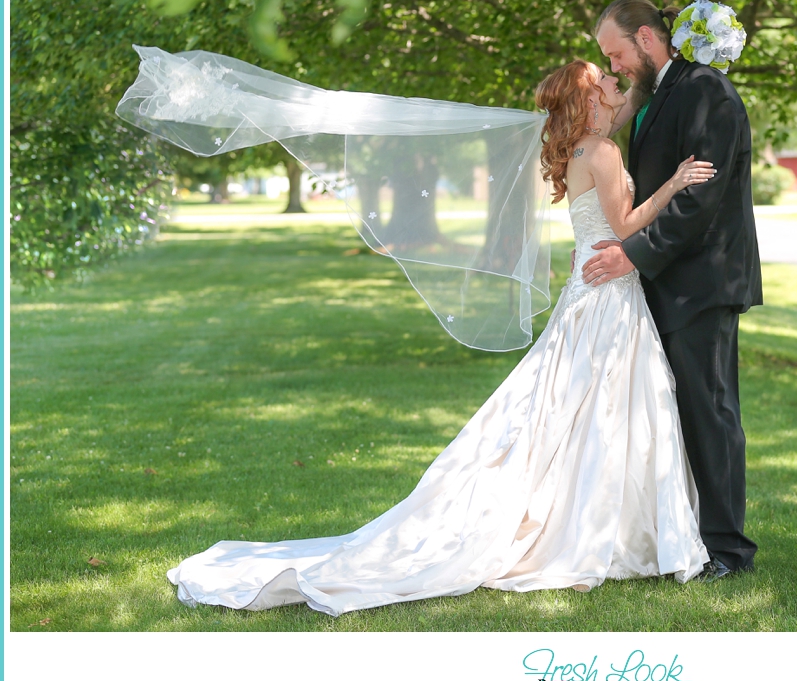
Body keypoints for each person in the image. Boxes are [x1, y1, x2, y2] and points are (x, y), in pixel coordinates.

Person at [163, 60, 719, 616]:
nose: (613, 85)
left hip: (587, 290)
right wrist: (674, 182)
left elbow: (597, 221)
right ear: (589, 99)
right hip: (606, 296)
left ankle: (595, 527)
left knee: (577, 411)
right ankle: (606, 532)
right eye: (604, 80)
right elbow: (623, 228)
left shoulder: (578, 152)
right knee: (604, 410)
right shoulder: (601, 151)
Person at [583, 0, 763, 580]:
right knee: (673, 415)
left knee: (711, 413)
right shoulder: (659, 92)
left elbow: (698, 198)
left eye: (615, 53)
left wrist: (632, 256)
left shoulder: (707, 90)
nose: (614, 66)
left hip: (704, 282)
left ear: (645, 37)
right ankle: (684, 537)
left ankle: (730, 551)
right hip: (668, 283)